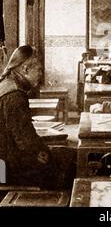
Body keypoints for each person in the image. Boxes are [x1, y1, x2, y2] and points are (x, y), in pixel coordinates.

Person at [0, 45, 75, 189]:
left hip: (7, 159)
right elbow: (25, 142)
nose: (41, 74)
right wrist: (44, 153)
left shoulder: (6, 84)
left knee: (64, 153)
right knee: (69, 165)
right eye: (39, 70)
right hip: (7, 168)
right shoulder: (14, 96)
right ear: (25, 69)